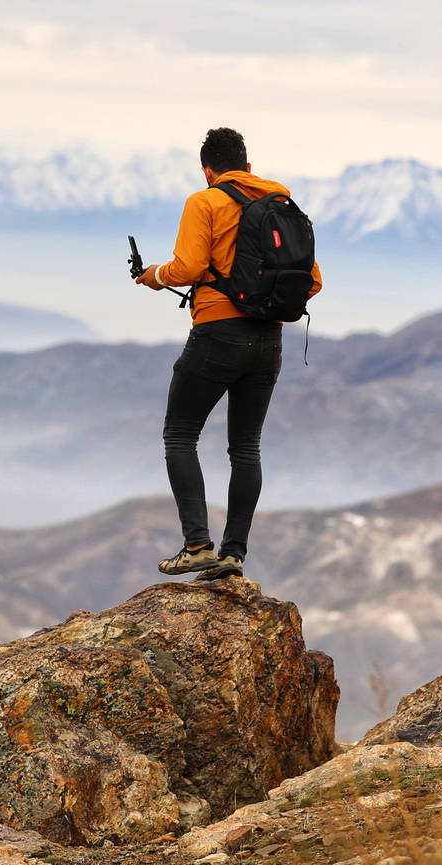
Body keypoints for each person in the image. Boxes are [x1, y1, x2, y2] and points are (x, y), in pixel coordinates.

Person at [135, 127, 322, 580]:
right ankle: (233, 554)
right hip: (270, 340)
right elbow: (312, 281)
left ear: (207, 170)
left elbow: (190, 267)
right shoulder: (283, 206)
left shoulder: (205, 202)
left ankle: (198, 545)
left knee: (180, 434)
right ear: (248, 168)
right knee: (246, 447)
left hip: (218, 332)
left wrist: (154, 275)